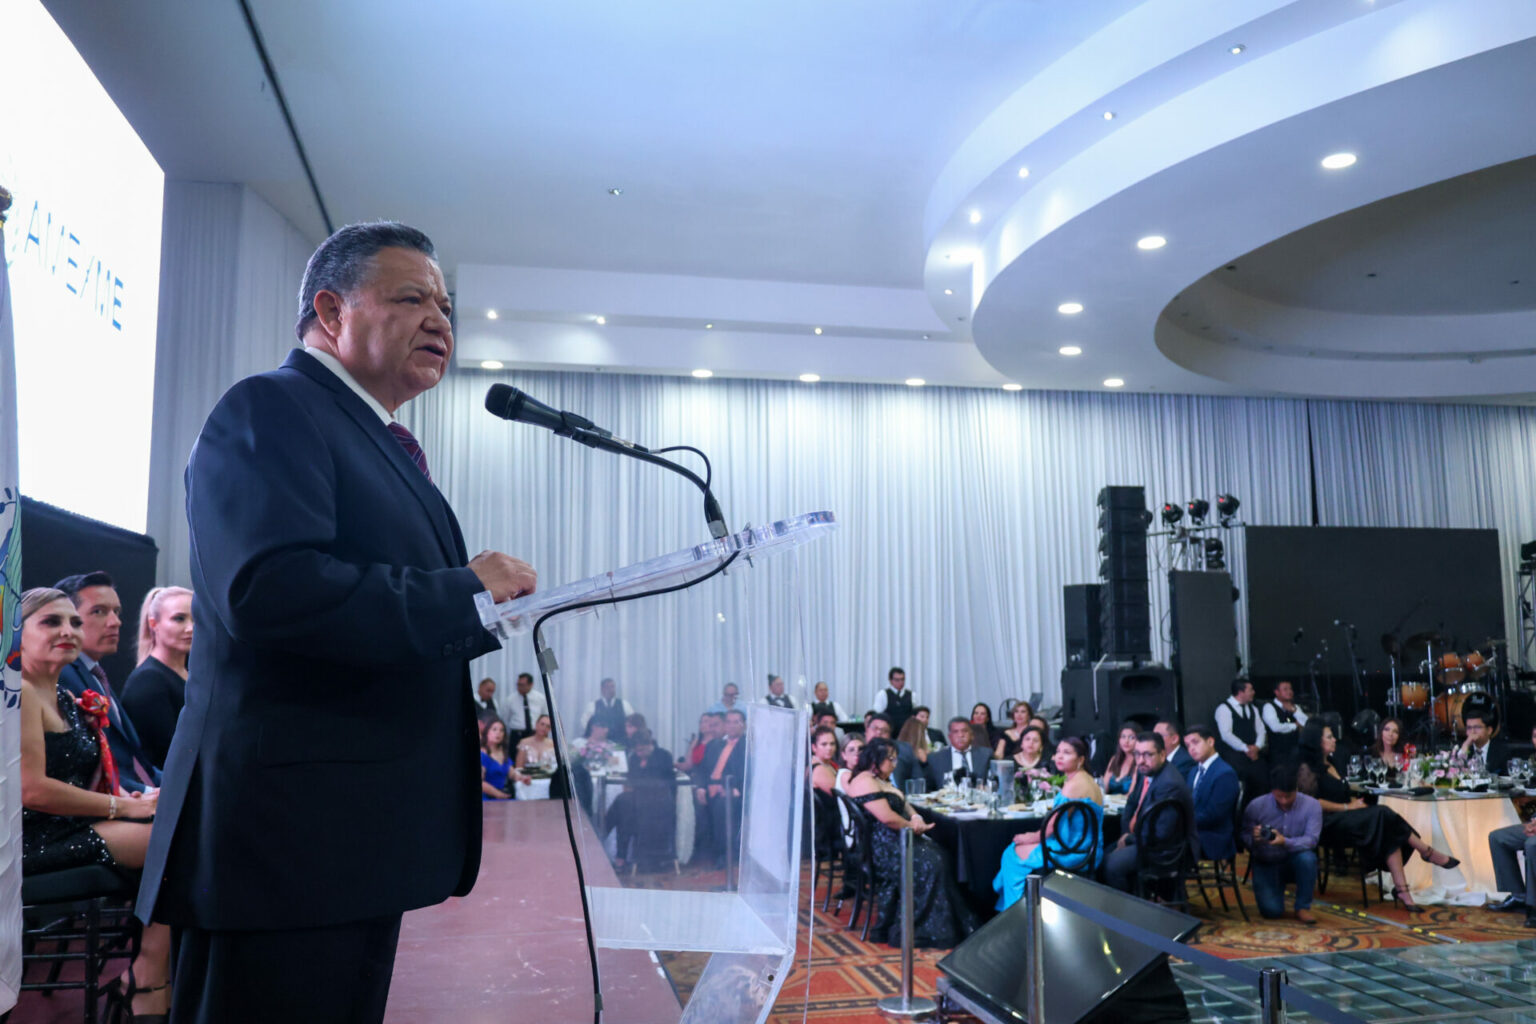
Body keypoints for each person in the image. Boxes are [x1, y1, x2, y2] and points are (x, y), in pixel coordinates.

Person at [138, 223, 539, 1024]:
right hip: (286, 845)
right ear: (330, 311)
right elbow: (270, 589)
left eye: (446, 307)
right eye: (412, 298)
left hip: (348, 839)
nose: (440, 320)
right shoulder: (271, 408)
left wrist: (477, 606)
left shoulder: (376, 441)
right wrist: (463, 589)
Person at [19, 589, 174, 1018]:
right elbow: (33, 791)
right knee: (176, 842)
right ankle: (148, 977)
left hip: (65, 823)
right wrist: (124, 809)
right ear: (15, 634)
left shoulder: (64, 697)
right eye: (51, 622)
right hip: (30, 837)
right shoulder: (19, 694)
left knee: (180, 825)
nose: (68, 631)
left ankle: (153, 970)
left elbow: (81, 778)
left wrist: (133, 797)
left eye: (73, 622)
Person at [1296, 720, 1458, 911]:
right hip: (1326, 824)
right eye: (1329, 737)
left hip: (1345, 818)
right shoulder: (1307, 768)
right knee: (1383, 813)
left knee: (1387, 826)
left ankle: (1403, 890)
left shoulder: (1333, 763)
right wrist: (1347, 807)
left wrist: (1354, 805)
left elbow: (1343, 793)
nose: (1334, 740)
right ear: (1316, 741)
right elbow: (1311, 803)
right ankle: (1426, 852)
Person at [845, 738, 978, 948]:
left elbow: (904, 803)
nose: (894, 764)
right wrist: (912, 826)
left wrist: (916, 817)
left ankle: (951, 921)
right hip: (883, 846)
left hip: (897, 837)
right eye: (890, 759)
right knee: (933, 862)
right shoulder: (864, 781)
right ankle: (924, 927)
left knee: (942, 854)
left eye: (895, 759)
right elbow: (887, 818)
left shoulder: (881, 779)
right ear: (875, 759)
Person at [54, 571, 160, 792]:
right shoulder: (63, 674)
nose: (115, 622)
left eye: (116, 612)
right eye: (99, 611)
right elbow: (90, 769)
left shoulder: (94, 673)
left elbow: (138, 764)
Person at [994, 737, 1105, 908]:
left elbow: (1051, 828)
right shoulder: (1086, 779)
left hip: (1074, 851)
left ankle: (1014, 911)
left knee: (1011, 854)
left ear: (1081, 759)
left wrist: (1030, 837)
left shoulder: (1074, 784)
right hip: (1086, 847)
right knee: (1014, 850)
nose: (1059, 756)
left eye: (1066, 753)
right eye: (1058, 751)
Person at [1104, 732, 1198, 894]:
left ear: (1162, 754)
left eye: (1148, 755)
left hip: (1165, 850)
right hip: (1143, 839)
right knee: (1101, 855)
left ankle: (1131, 907)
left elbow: (1162, 833)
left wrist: (1129, 839)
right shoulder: (1146, 772)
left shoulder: (1169, 784)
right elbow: (1131, 804)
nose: (1141, 760)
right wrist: (1126, 833)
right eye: (1137, 754)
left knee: (1111, 865)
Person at [121, 585, 194, 771]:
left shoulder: (191, 673)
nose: (191, 628)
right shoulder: (148, 681)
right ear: (154, 624)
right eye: (179, 619)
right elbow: (169, 752)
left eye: (196, 618)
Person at [1242, 764, 1322, 923]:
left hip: (1294, 858)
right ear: (1272, 791)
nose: (1284, 801)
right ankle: (1274, 891)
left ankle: (1303, 906)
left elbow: (1312, 839)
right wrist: (1254, 838)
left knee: (1307, 858)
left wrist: (1285, 841)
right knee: (1272, 911)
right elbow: (1243, 835)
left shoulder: (1312, 805)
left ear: (1296, 790)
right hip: (1266, 860)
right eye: (1279, 796)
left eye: (1289, 796)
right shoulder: (1256, 806)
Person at [604, 729, 676, 870]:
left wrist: (645, 768)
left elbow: (664, 782)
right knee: (624, 810)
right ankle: (619, 856)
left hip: (658, 802)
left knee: (622, 803)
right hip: (638, 801)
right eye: (636, 750)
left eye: (642, 750)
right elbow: (631, 780)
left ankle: (604, 836)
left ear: (650, 744)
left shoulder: (663, 756)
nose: (639, 753)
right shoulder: (634, 758)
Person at [694, 708, 748, 866]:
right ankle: (702, 853)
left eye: (736, 722)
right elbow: (701, 769)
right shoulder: (714, 745)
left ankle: (725, 855)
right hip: (710, 789)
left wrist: (731, 787)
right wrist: (701, 787)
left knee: (722, 806)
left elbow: (746, 772)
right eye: (728, 722)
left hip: (734, 791)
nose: (731, 726)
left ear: (743, 725)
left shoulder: (748, 746)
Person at [1184, 726, 1240, 863]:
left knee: (1167, 842)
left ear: (1210, 742)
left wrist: (1182, 822)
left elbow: (1214, 815)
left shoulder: (1224, 773)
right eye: (1188, 745)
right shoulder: (1193, 771)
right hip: (1195, 831)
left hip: (1213, 837)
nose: (1191, 748)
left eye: (1195, 742)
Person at [1214, 679, 1268, 801]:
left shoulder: (1253, 709)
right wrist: (1245, 748)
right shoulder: (1224, 709)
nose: (1253, 692)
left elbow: (1261, 730)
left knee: (1261, 785)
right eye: (1250, 690)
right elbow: (1226, 734)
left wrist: (1257, 747)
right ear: (1240, 692)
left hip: (1254, 755)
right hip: (1234, 756)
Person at [926, 717, 991, 790]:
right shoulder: (935, 759)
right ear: (950, 737)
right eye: (955, 732)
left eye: (964, 731)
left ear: (972, 735)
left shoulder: (986, 755)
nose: (960, 735)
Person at [864, 714, 919, 789]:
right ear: (866, 730)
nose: (879, 733)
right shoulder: (855, 751)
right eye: (874, 728)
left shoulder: (904, 750)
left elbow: (918, 781)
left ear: (889, 736)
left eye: (884, 731)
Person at [1261, 680, 1308, 764]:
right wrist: (1295, 725)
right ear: (1277, 692)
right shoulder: (1269, 706)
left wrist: (1294, 711)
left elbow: (1306, 723)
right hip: (1278, 752)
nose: (1289, 692)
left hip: (1295, 750)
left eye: (1290, 689)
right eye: (1285, 689)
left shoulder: (1295, 706)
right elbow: (1275, 727)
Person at [501, 671, 548, 747]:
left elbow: (545, 717)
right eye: (518, 684)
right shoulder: (510, 700)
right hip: (517, 735)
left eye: (522, 685)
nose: (519, 687)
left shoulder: (540, 699)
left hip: (535, 734)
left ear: (531, 685)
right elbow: (505, 719)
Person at [1458, 710, 1510, 775]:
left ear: (1489, 730)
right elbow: (1455, 773)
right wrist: (1465, 746)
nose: (1472, 732)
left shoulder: (1502, 751)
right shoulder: (1462, 749)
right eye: (1469, 728)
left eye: (1477, 727)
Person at [479, 720, 517, 801]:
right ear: (487, 732)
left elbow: (512, 774)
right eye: (494, 729)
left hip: (502, 794)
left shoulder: (503, 752)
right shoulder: (481, 754)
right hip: (487, 797)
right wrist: (498, 794)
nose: (498, 733)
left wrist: (522, 778)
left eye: (501, 730)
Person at [872, 666, 915, 736]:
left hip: (907, 734)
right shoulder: (883, 694)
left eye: (902, 679)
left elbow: (915, 716)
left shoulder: (912, 695)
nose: (901, 682)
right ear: (890, 680)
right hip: (889, 734)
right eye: (897, 680)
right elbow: (877, 715)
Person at [1100, 722, 1139, 795]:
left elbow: (1131, 795)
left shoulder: (1139, 762)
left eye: (1132, 737)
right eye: (1123, 737)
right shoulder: (1114, 759)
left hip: (1127, 801)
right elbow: (1104, 788)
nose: (1126, 741)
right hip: (1108, 801)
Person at [809, 725, 841, 795]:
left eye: (832, 744)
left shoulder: (829, 764)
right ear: (814, 747)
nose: (829, 748)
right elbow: (841, 793)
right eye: (824, 744)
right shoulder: (818, 769)